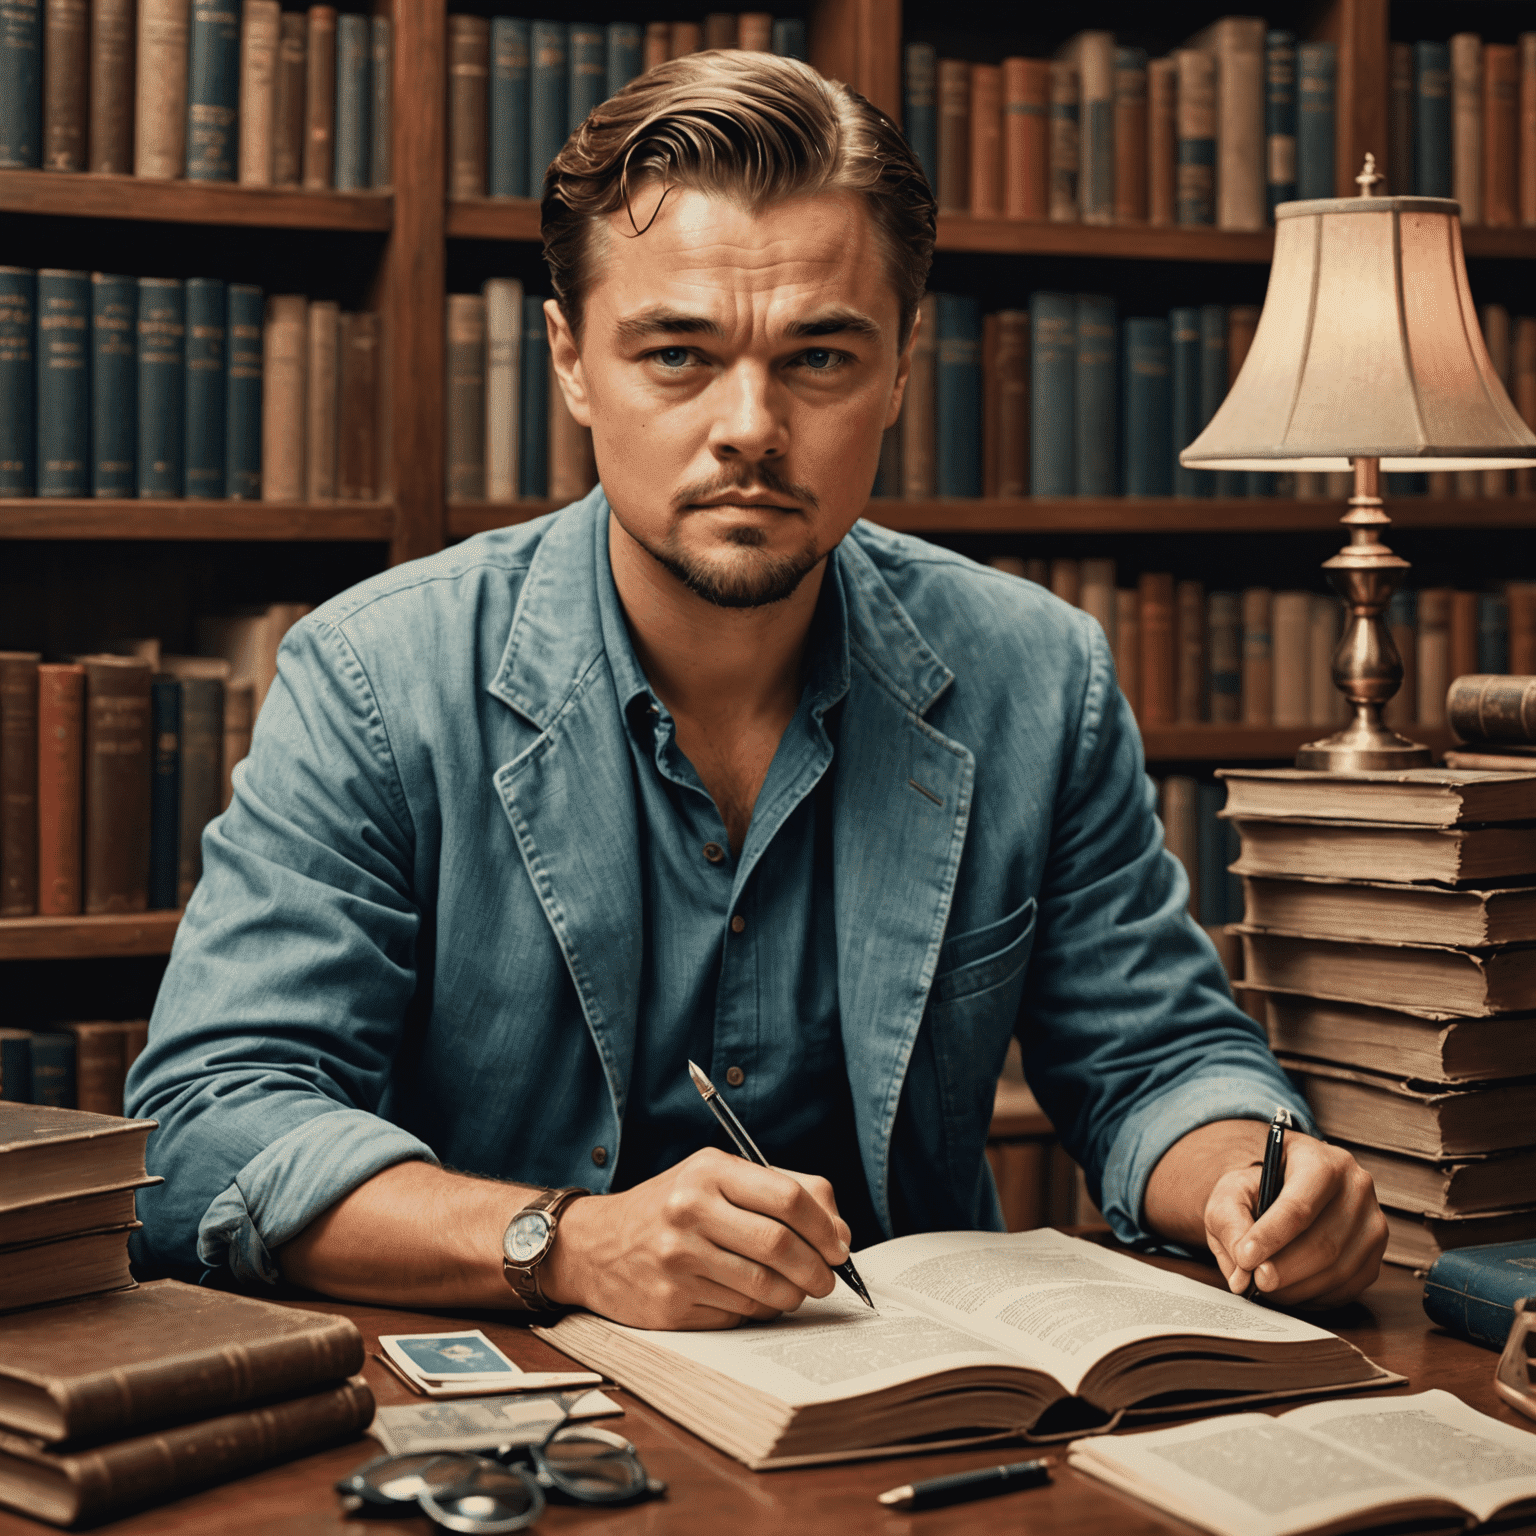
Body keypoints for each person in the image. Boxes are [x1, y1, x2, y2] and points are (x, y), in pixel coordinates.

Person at [126, 51, 1386, 1329]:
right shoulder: (375, 676)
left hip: (920, 1409)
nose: (750, 427)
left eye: (820, 358)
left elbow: (1156, 1056)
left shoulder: (1037, 674)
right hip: (510, 1424)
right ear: (571, 361)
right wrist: (562, 1244)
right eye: (677, 353)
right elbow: (205, 1128)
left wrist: (1249, 1170)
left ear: (902, 365)